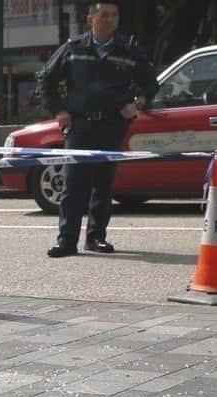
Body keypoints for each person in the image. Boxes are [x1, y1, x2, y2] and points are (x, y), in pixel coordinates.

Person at [39, 1, 157, 259]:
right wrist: (59, 111)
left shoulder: (127, 49)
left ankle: (96, 237)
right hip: (80, 125)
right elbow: (46, 79)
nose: (110, 20)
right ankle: (66, 240)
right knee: (73, 184)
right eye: (104, 15)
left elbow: (150, 82)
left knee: (103, 184)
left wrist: (137, 104)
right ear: (90, 18)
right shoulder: (74, 48)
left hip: (112, 125)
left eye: (114, 15)